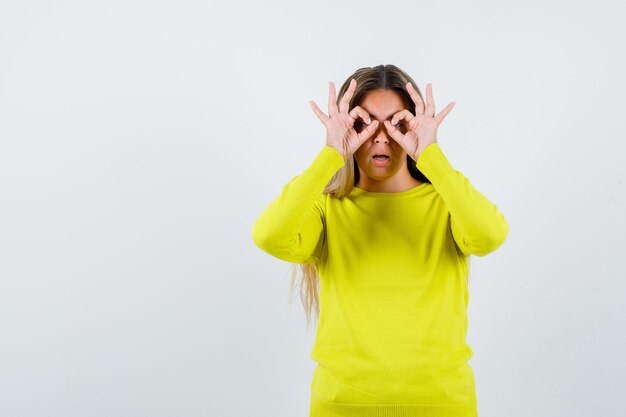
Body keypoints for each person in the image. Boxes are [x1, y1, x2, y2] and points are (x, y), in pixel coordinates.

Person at [251, 64, 508, 417]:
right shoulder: (327, 209)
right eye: (364, 123)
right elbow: (269, 236)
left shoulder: (446, 202)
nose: (382, 136)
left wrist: (431, 156)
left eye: (398, 123)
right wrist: (330, 156)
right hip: (341, 406)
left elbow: (489, 235)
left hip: (443, 406)